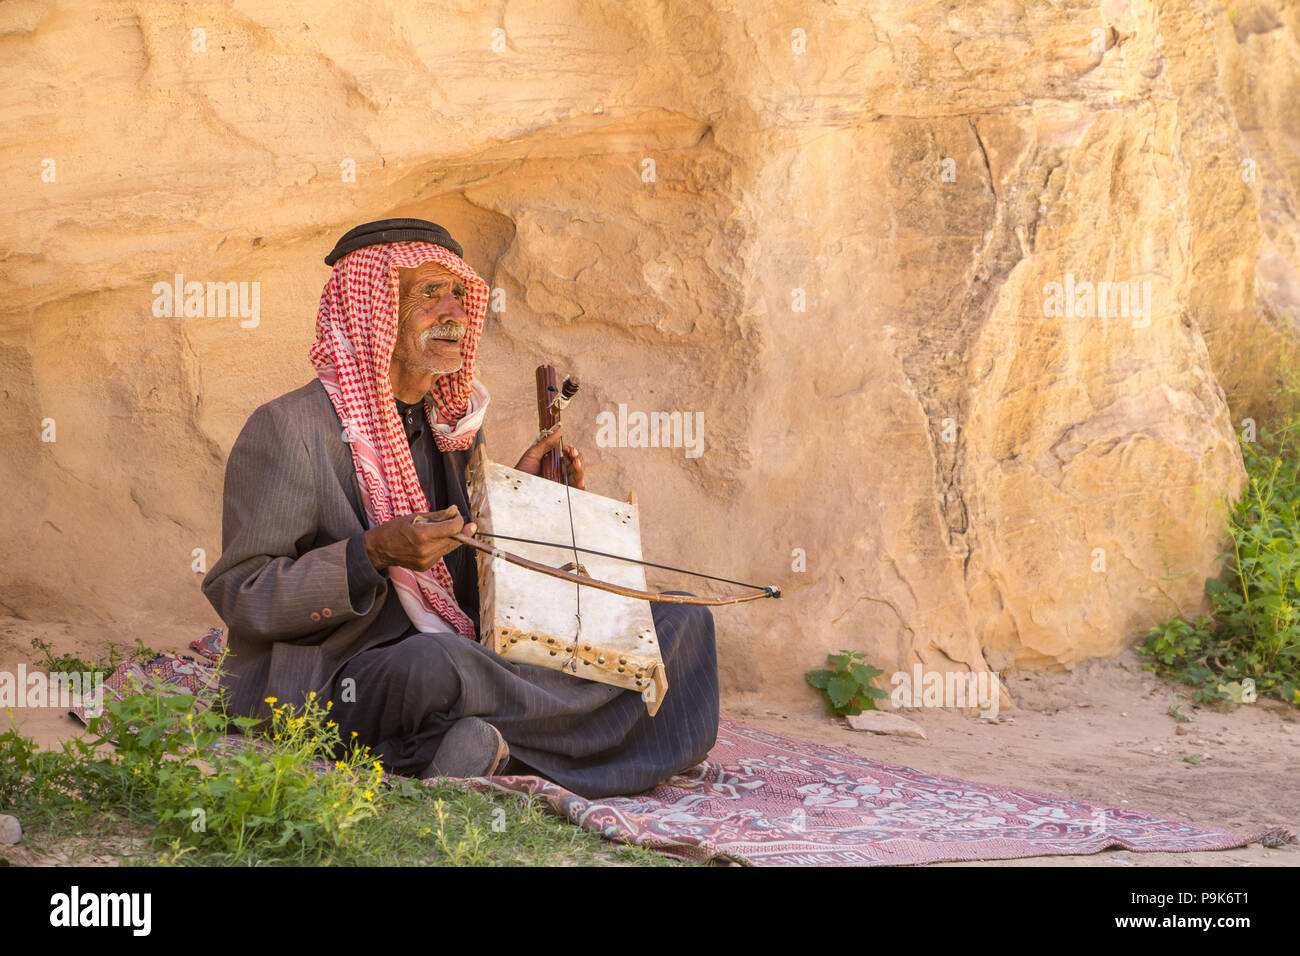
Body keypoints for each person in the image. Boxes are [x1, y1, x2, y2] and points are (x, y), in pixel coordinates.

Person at [201, 218, 719, 798]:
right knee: (437, 666)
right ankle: (592, 739)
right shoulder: (288, 428)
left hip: (472, 650)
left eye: (458, 295)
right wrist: (370, 553)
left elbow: (477, 573)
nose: (453, 313)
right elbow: (242, 594)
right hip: (354, 669)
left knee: (680, 621)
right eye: (428, 294)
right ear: (369, 309)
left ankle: (483, 744)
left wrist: (523, 501)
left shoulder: (455, 430)